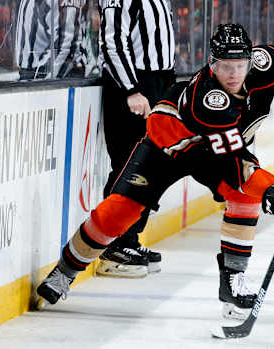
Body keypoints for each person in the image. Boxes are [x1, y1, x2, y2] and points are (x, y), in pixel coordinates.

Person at [36, 23, 274, 320]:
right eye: (226, 66)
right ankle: (64, 272)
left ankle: (232, 282)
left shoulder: (267, 64)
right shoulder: (209, 99)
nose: (235, 73)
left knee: (243, 197)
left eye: (240, 64)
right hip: (168, 145)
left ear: (252, 59)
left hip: (221, 148)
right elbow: (235, 163)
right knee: (119, 212)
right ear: (212, 63)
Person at [96, 0, 176, 278]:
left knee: (150, 166)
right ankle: (114, 244)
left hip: (158, 83)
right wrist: (131, 89)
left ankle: (129, 239)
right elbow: (113, 42)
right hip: (134, 86)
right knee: (128, 163)